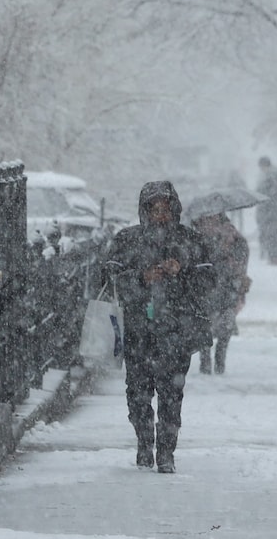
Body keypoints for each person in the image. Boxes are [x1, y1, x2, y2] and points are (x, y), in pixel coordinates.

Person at [102, 180, 214, 473]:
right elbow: (110, 282)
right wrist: (142, 278)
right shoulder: (127, 240)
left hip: (177, 331)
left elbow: (209, 282)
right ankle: (143, 443)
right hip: (139, 331)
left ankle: (166, 451)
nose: (160, 215)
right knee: (137, 392)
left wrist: (182, 270)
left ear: (174, 209)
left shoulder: (191, 241)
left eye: (166, 209)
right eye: (155, 209)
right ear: (145, 211)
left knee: (171, 394)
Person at [192, 211, 250, 375]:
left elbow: (241, 259)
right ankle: (209, 362)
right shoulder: (198, 238)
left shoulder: (233, 238)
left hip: (223, 287)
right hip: (210, 288)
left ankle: (216, 362)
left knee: (221, 326)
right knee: (210, 325)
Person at [256, 156, 277, 265]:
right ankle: (273, 256)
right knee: (272, 233)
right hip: (271, 209)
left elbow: (272, 193)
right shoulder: (271, 176)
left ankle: (275, 257)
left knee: (272, 234)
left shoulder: (272, 177)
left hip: (271, 210)